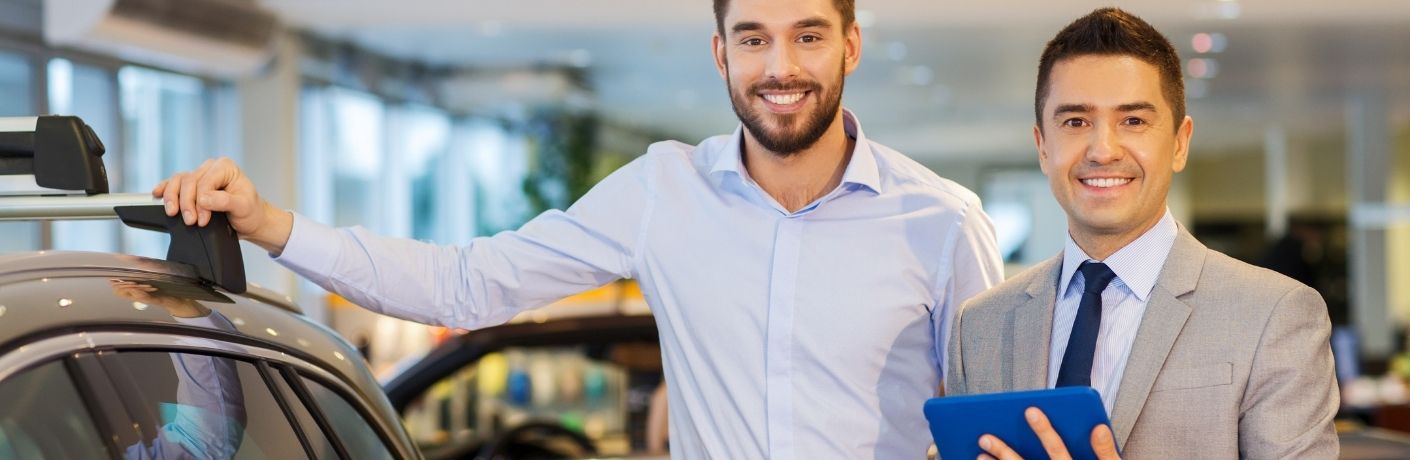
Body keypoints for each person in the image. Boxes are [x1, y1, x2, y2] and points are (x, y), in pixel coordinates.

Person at [154, 0, 1005, 457]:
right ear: (721, 55)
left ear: (851, 46)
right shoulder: (663, 193)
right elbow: (467, 283)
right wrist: (269, 225)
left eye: (807, 36)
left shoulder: (941, 221)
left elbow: (992, 428)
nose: (780, 67)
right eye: (753, 38)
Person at [944, 8, 1338, 459]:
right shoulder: (979, 324)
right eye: (1075, 122)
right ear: (1042, 147)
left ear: (1179, 142)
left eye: (1133, 121)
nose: (1103, 150)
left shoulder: (1273, 315)